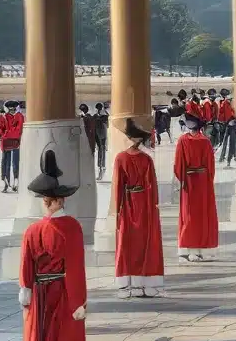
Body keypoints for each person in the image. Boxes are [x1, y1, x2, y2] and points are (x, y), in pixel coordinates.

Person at [19, 150, 91, 341]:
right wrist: (78, 302)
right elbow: (74, 268)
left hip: (38, 297)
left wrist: (26, 291)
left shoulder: (32, 231)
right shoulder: (70, 228)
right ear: (60, 200)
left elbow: (26, 269)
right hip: (62, 295)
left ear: (44, 201)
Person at [111, 118, 165, 298]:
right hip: (145, 203)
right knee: (145, 243)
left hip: (127, 202)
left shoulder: (120, 158)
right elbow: (153, 185)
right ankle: (146, 283)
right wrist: (153, 204)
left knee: (127, 243)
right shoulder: (147, 159)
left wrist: (117, 210)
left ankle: (127, 283)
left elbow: (118, 186)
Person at [174, 111, 219, 262]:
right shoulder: (206, 141)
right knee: (203, 215)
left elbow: (178, 165)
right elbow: (211, 167)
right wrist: (208, 180)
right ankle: (204, 250)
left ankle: (187, 250)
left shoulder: (182, 141)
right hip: (203, 181)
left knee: (188, 215)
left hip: (189, 181)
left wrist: (182, 179)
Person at [0, 100, 23, 193]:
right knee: (5, 163)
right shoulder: (1, 117)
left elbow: (18, 131)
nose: (12, 110)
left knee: (15, 163)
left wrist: (6, 134)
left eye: (13, 108)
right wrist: (7, 134)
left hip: (15, 143)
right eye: (10, 108)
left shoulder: (19, 117)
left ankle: (16, 181)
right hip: (7, 143)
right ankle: (6, 182)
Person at [218, 88, 236, 166]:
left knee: (226, 142)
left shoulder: (226, 102)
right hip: (232, 123)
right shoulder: (230, 102)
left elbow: (227, 114)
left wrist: (227, 121)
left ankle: (226, 158)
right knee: (232, 142)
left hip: (229, 123)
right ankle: (231, 158)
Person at [93, 103, 109, 180]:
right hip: (98, 136)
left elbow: (106, 124)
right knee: (100, 152)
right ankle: (101, 169)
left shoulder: (103, 116)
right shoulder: (97, 116)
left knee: (102, 152)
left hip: (102, 136)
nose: (98, 109)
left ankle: (102, 169)